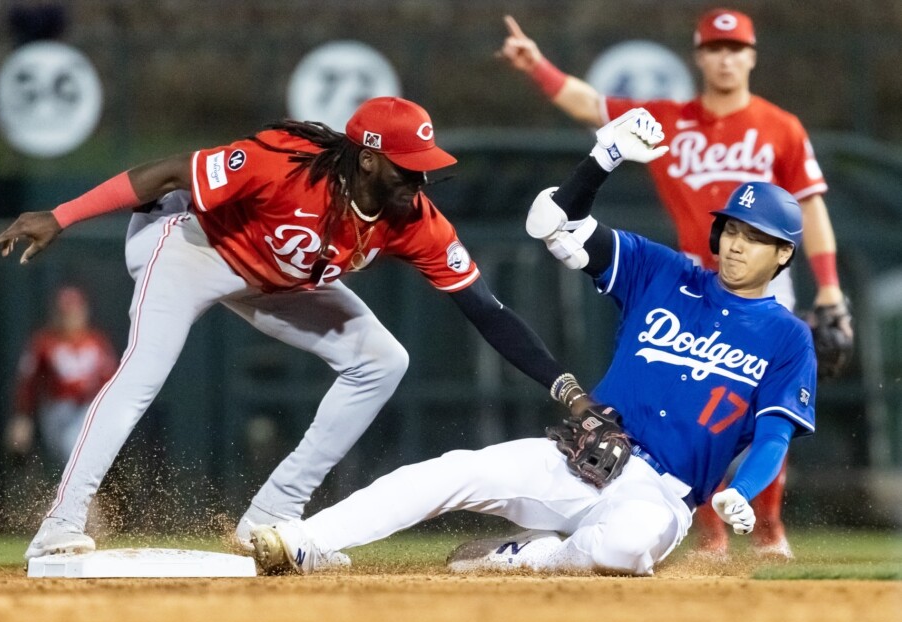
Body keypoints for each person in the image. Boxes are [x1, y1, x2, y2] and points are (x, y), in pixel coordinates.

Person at [0, 96, 592, 561]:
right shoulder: (284, 163)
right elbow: (167, 174)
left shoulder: (416, 221)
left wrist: (564, 387)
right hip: (191, 246)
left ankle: (270, 518)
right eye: (408, 169)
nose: (420, 182)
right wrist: (61, 215)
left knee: (383, 360)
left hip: (276, 280)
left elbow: (488, 310)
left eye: (426, 169)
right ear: (367, 158)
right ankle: (60, 525)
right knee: (144, 371)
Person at [248, 108, 817, 577]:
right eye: (733, 230)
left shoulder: (789, 338)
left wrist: (743, 490)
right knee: (451, 471)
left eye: (757, 238)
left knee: (623, 548)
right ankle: (302, 541)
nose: (738, 245)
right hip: (581, 457)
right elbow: (551, 223)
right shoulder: (663, 272)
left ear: (784, 254)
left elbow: (773, 435)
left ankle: (527, 557)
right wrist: (603, 159)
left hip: (662, 496)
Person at [497, 9, 847, 558]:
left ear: (752, 56)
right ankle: (706, 531)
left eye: (735, 48)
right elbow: (592, 106)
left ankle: (768, 523)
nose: (725, 58)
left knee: (759, 410)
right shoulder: (670, 119)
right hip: (688, 284)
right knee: (692, 409)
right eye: (714, 48)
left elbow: (812, 207)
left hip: (765, 288)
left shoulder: (782, 126)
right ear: (699, 56)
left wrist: (828, 288)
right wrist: (537, 65)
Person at [4, 286, 118, 470]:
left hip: (90, 410)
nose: (70, 317)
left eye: (74, 311)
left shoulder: (97, 341)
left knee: (83, 462)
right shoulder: (44, 343)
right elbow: (28, 383)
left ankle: (87, 495)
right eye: (65, 312)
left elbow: (112, 382)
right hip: (58, 412)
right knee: (73, 454)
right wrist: (22, 418)